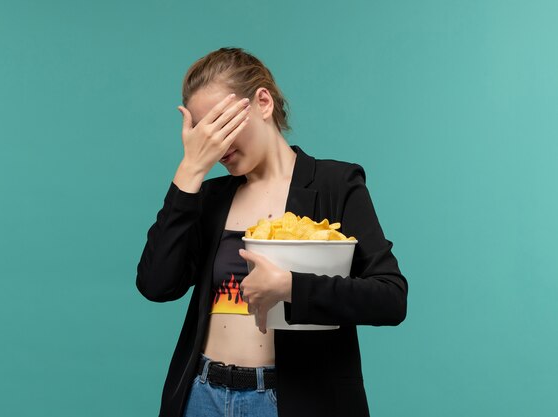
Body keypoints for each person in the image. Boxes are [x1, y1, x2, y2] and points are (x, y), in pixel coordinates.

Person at [136, 47, 408, 417]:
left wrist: (291, 286)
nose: (217, 145)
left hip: (292, 401)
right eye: (205, 134)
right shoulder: (210, 197)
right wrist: (189, 171)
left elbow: (390, 297)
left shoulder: (335, 184)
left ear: (262, 101)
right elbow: (156, 284)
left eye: (223, 123)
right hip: (202, 397)